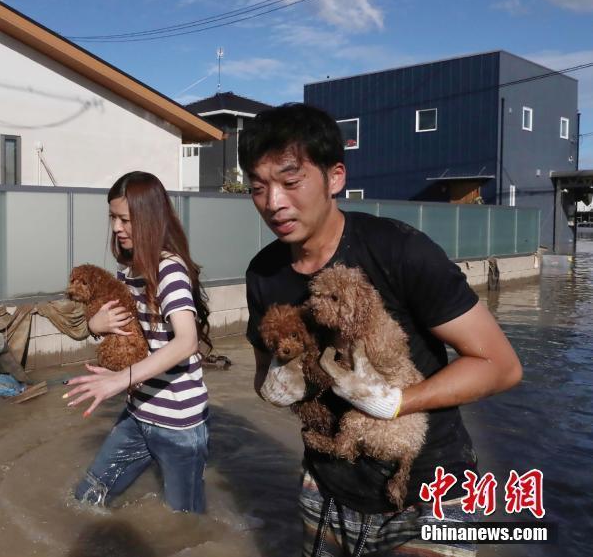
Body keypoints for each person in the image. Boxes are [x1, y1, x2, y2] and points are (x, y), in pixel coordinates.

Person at [239, 104, 523, 556]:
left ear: (335, 177)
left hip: (432, 492)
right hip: (325, 487)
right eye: (258, 188)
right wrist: (275, 384)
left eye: (290, 182)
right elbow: (262, 373)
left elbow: (501, 366)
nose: (273, 203)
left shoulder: (401, 251)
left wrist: (395, 402)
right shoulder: (264, 275)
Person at [64, 171, 212, 513]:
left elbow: (187, 341)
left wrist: (119, 380)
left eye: (125, 219)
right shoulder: (126, 271)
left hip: (179, 424)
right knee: (86, 497)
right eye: (113, 218)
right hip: (139, 412)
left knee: (184, 520)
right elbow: (125, 330)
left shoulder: (169, 270)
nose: (116, 227)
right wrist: (94, 325)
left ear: (149, 219)